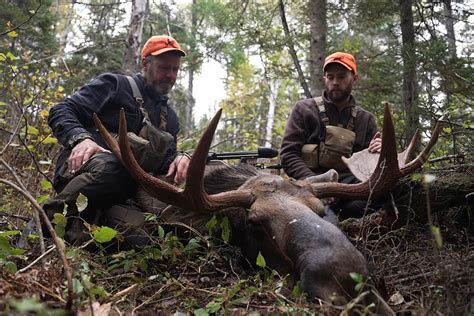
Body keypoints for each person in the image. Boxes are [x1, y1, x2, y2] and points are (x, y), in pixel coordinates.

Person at [44, 35, 190, 248]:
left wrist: (180, 159)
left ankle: (82, 231)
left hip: (123, 194)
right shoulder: (115, 85)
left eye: (175, 70)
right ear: (145, 64)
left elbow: (164, 162)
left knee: (145, 241)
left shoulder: (170, 118)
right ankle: (41, 224)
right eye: (164, 68)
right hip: (84, 168)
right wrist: (80, 139)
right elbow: (62, 110)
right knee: (115, 167)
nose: (170, 75)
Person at [280, 52, 382, 218]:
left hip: (350, 192)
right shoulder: (303, 110)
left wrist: (379, 153)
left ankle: (343, 220)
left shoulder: (366, 119)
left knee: (383, 194)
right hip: (308, 188)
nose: (335, 82)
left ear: (354, 78)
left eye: (342, 76)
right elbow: (288, 155)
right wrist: (317, 185)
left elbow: (370, 170)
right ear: (324, 78)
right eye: (330, 77)